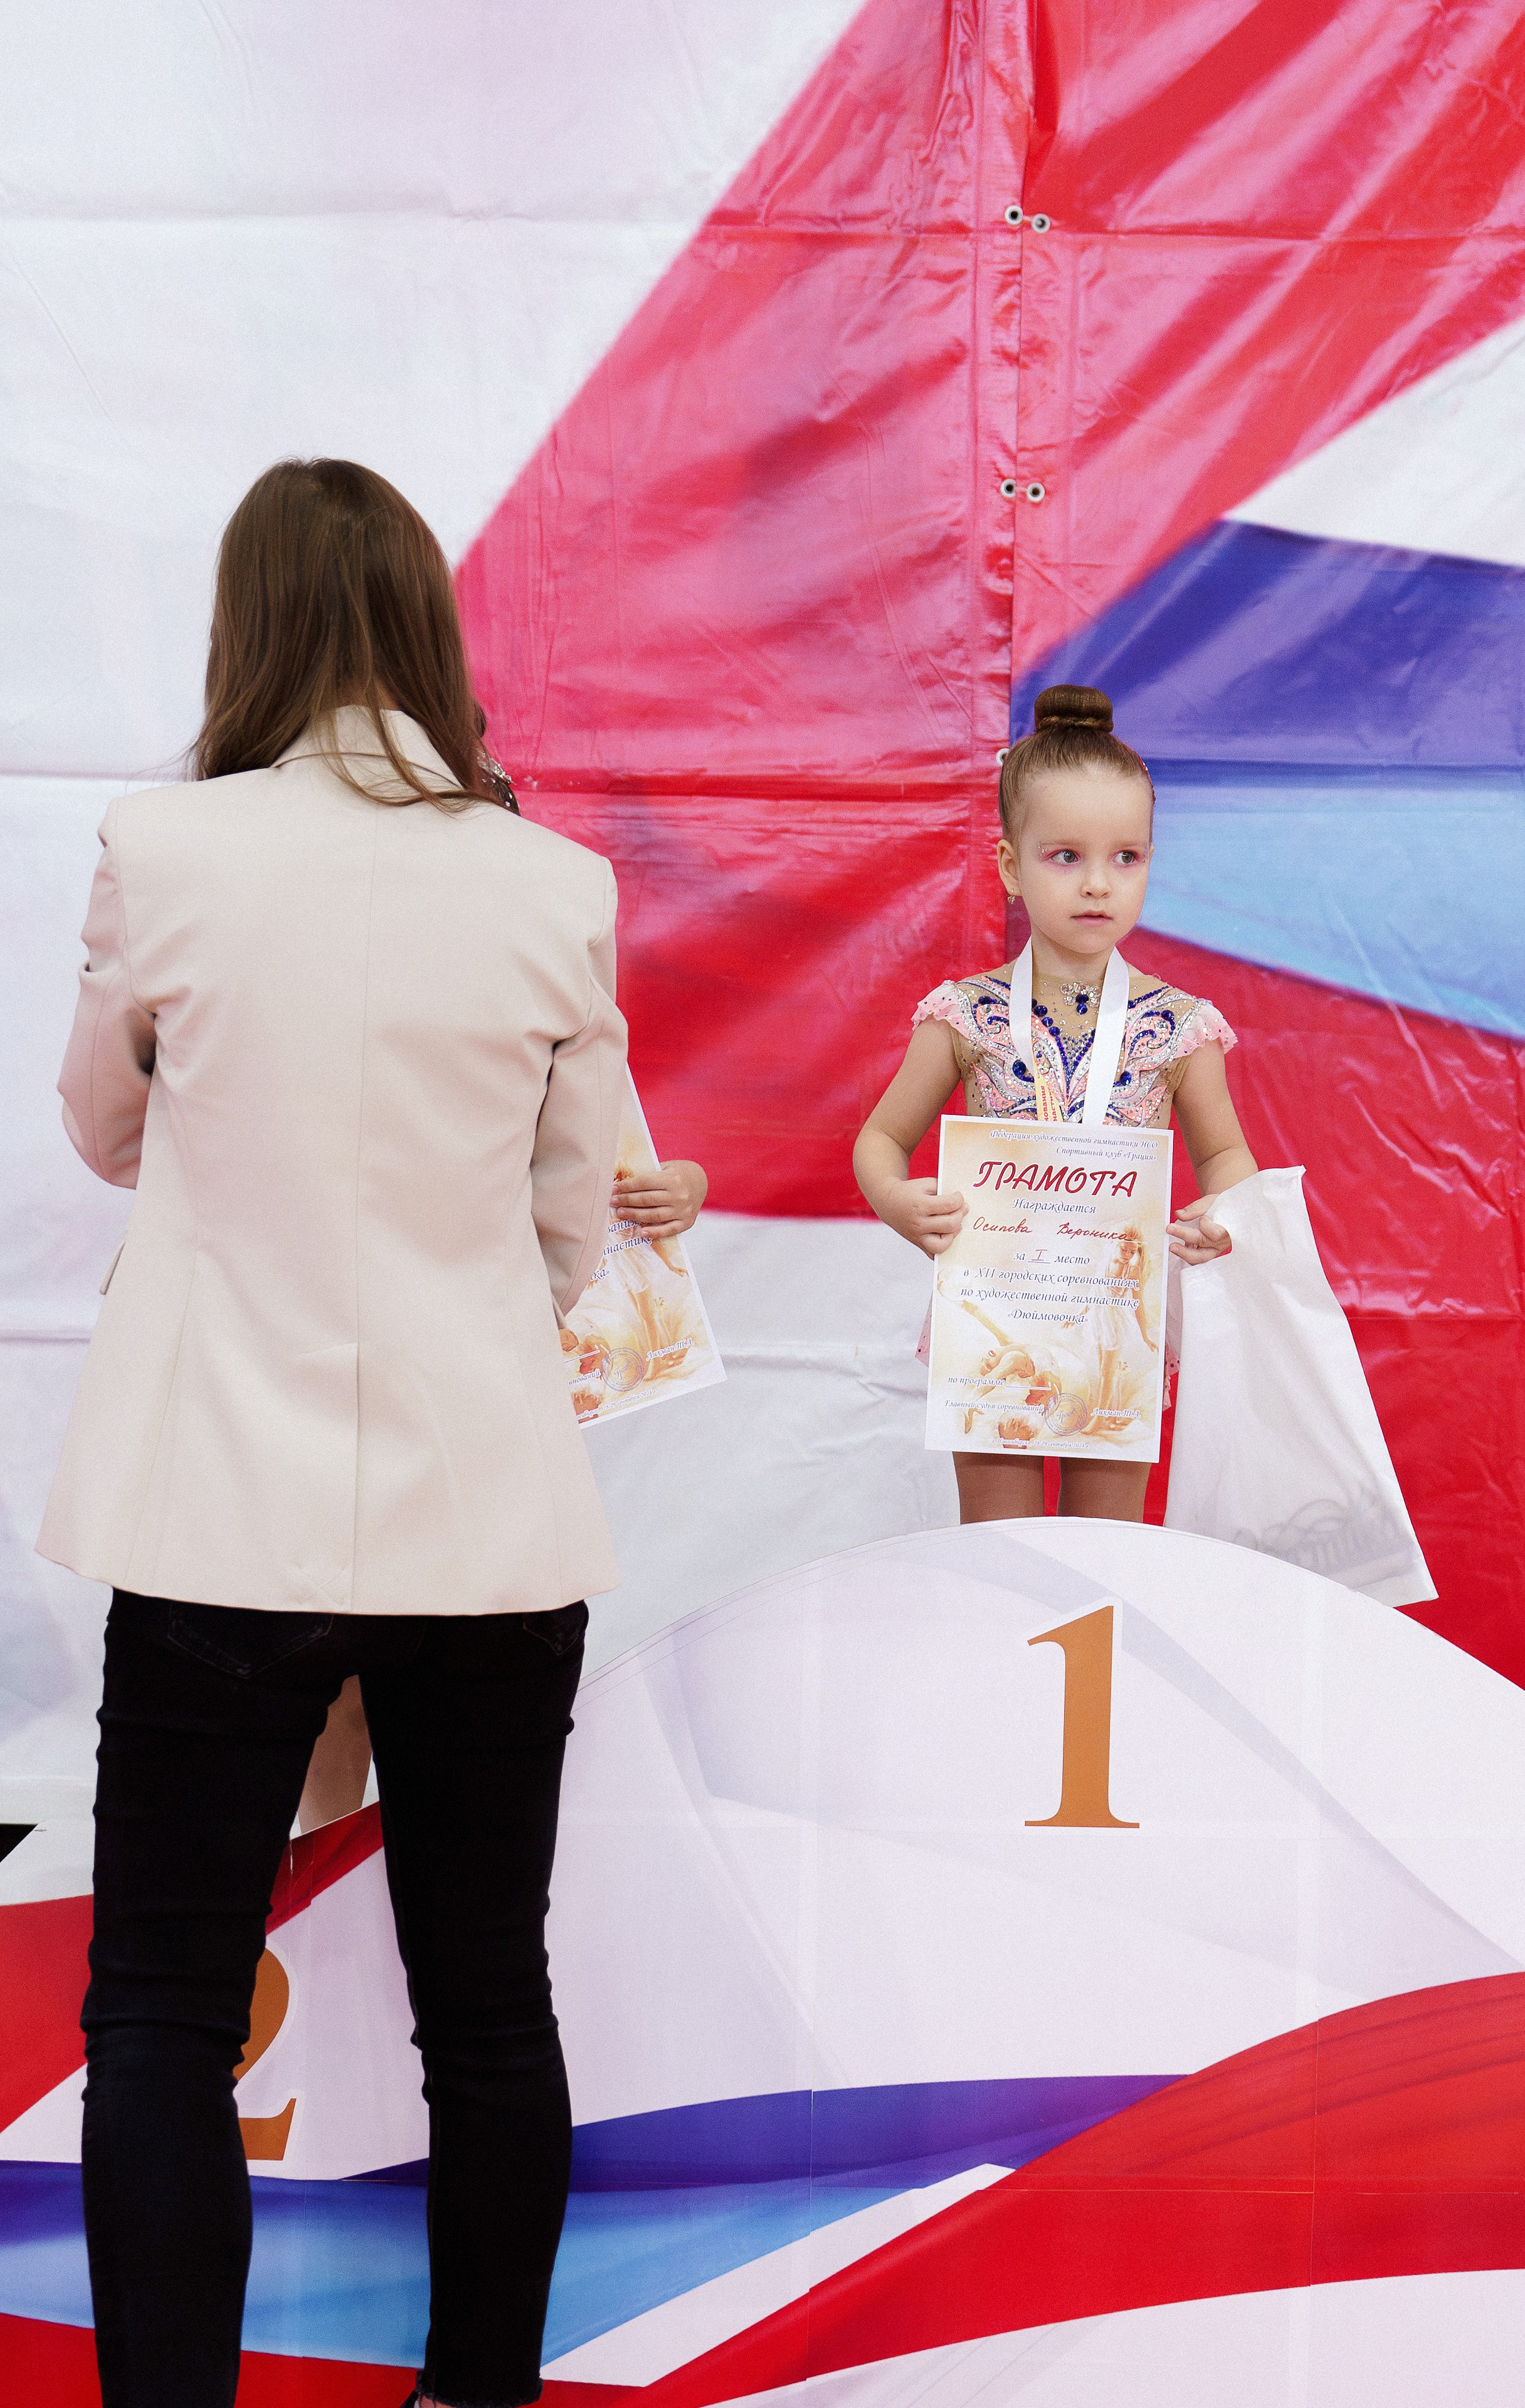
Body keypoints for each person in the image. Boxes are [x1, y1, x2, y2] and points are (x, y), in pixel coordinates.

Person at [35, 456, 629, 2408]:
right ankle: (474, 2392)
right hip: (484, 1511)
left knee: (162, 2016)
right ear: (429, 635)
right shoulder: (556, 886)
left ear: (252, 623)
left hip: (221, 1501)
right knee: (486, 2003)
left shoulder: (163, 848)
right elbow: (581, 1217)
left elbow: (110, 1134)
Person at [853, 684, 1257, 1526]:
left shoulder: (1181, 1028)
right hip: (994, 1317)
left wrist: (1225, 1209)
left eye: (1127, 858)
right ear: (1011, 865)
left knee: (1101, 1556)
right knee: (997, 1551)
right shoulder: (963, 1015)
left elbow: (1226, 1157)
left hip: (1118, 1320)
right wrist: (895, 1199)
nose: (1098, 884)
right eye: (1065, 856)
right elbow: (882, 1138)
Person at [298, 1149, 710, 1831]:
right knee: (338, 1647)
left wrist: (678, 1186)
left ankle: (416, 1882)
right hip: (358, 1358)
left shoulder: (545, 1058)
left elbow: (610, 1149)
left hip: (493, 1385)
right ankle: (321, 1881)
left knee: (466, 1641)